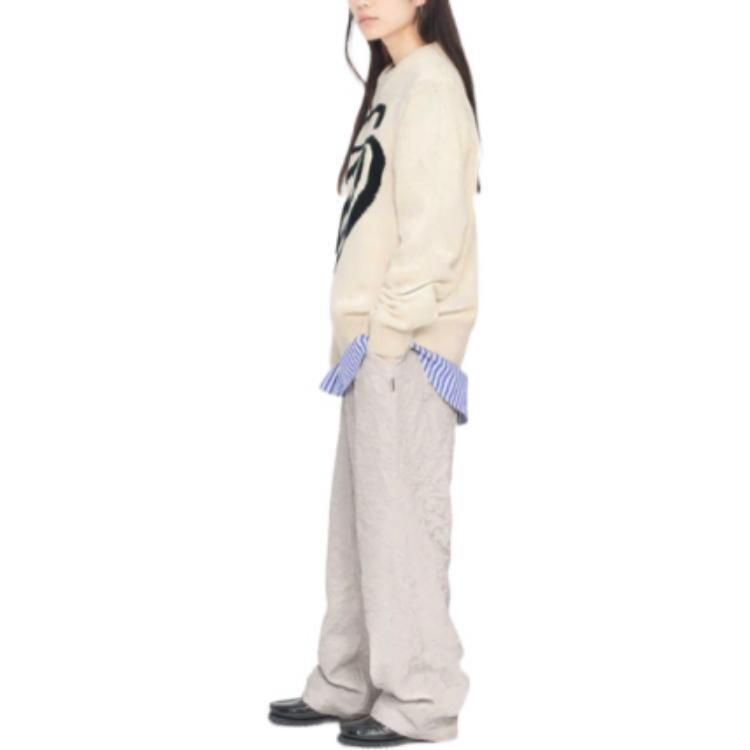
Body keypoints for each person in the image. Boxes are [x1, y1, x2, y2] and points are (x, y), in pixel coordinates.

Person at [269, 0, 481, 745]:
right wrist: (366, 339)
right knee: (359, 531)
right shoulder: (396, 80)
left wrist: (389, 332)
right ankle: (347, 680)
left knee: (403, 535)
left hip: (405, 349)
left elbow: (435, 235)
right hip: (371, 349)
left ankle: (421, 701)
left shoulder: (433, 86)